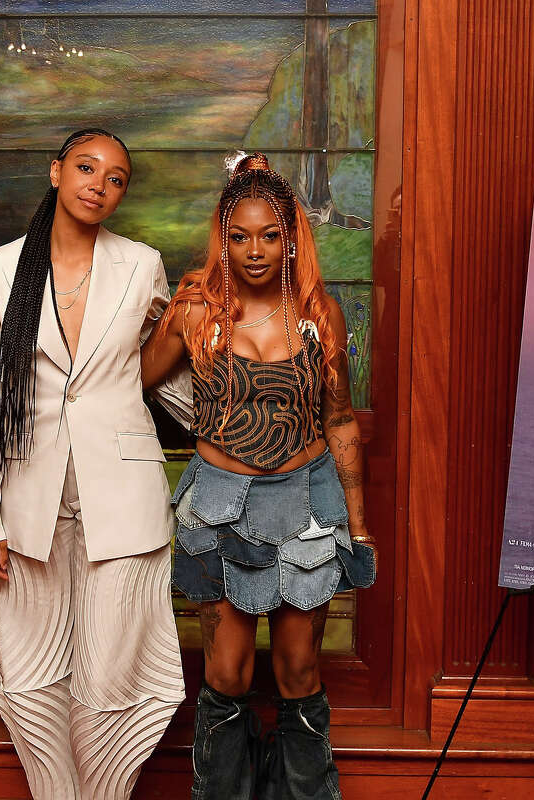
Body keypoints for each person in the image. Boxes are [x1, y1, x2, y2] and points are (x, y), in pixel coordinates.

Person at [0, 128, 185, 800]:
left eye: (116, 178)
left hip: (125, 496)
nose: (99, 185)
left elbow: (160, 383)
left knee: (116, 674)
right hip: (28, 503)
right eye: (86, 167)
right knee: (27, 669)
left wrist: (197, 336)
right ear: (55, 172)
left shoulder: (141, 264)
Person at [142, 152, 376, 800]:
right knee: (229, 671)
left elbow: (342, 422)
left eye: (269, 235)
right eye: (239, 236)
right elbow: (130, 382)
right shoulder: (194, 312)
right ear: (223, 236)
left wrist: (359, 526)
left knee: (300, 671)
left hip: (307, 507)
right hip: (218, 510)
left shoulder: (320, 315)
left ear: (290, 237)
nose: (254, 251)